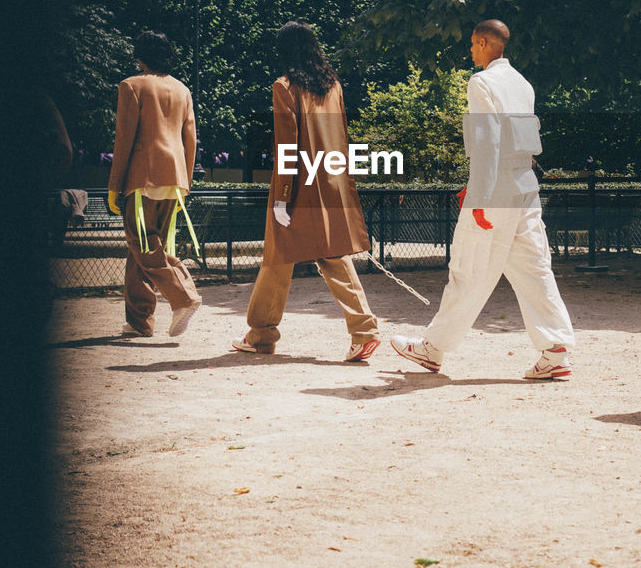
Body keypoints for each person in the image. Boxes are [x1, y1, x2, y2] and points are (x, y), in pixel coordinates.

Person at [391, 20, 576, 379]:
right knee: (535, 268)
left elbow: (487, 143)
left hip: (497, 188)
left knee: (468, 267)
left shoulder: (481, 83)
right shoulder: (523, 84)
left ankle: (433, 347)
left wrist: (479, 196)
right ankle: (555, 350)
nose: (470, 51)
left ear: (485, 42)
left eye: (473, 45)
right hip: (525, 186)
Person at [231, 22, 381, 361]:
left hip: (299, 186)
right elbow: (342, 135)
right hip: (330, 180)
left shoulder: (284, 87)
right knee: (330, 255)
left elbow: (286, 144)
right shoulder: (334, 87)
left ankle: (263, 335)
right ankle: (362, 330)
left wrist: (283, 196)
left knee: (278, 256)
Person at [108, 31, 203, 338]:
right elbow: (191, 140)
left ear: (140, 57)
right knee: (143, 250)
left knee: (144, 247)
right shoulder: (182, 89)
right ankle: (139, 322)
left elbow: (124, 140)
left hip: (142, 180)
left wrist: (114, 186)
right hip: (174, 180)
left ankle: (183, 296)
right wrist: (185, 183)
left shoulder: (131, 86)